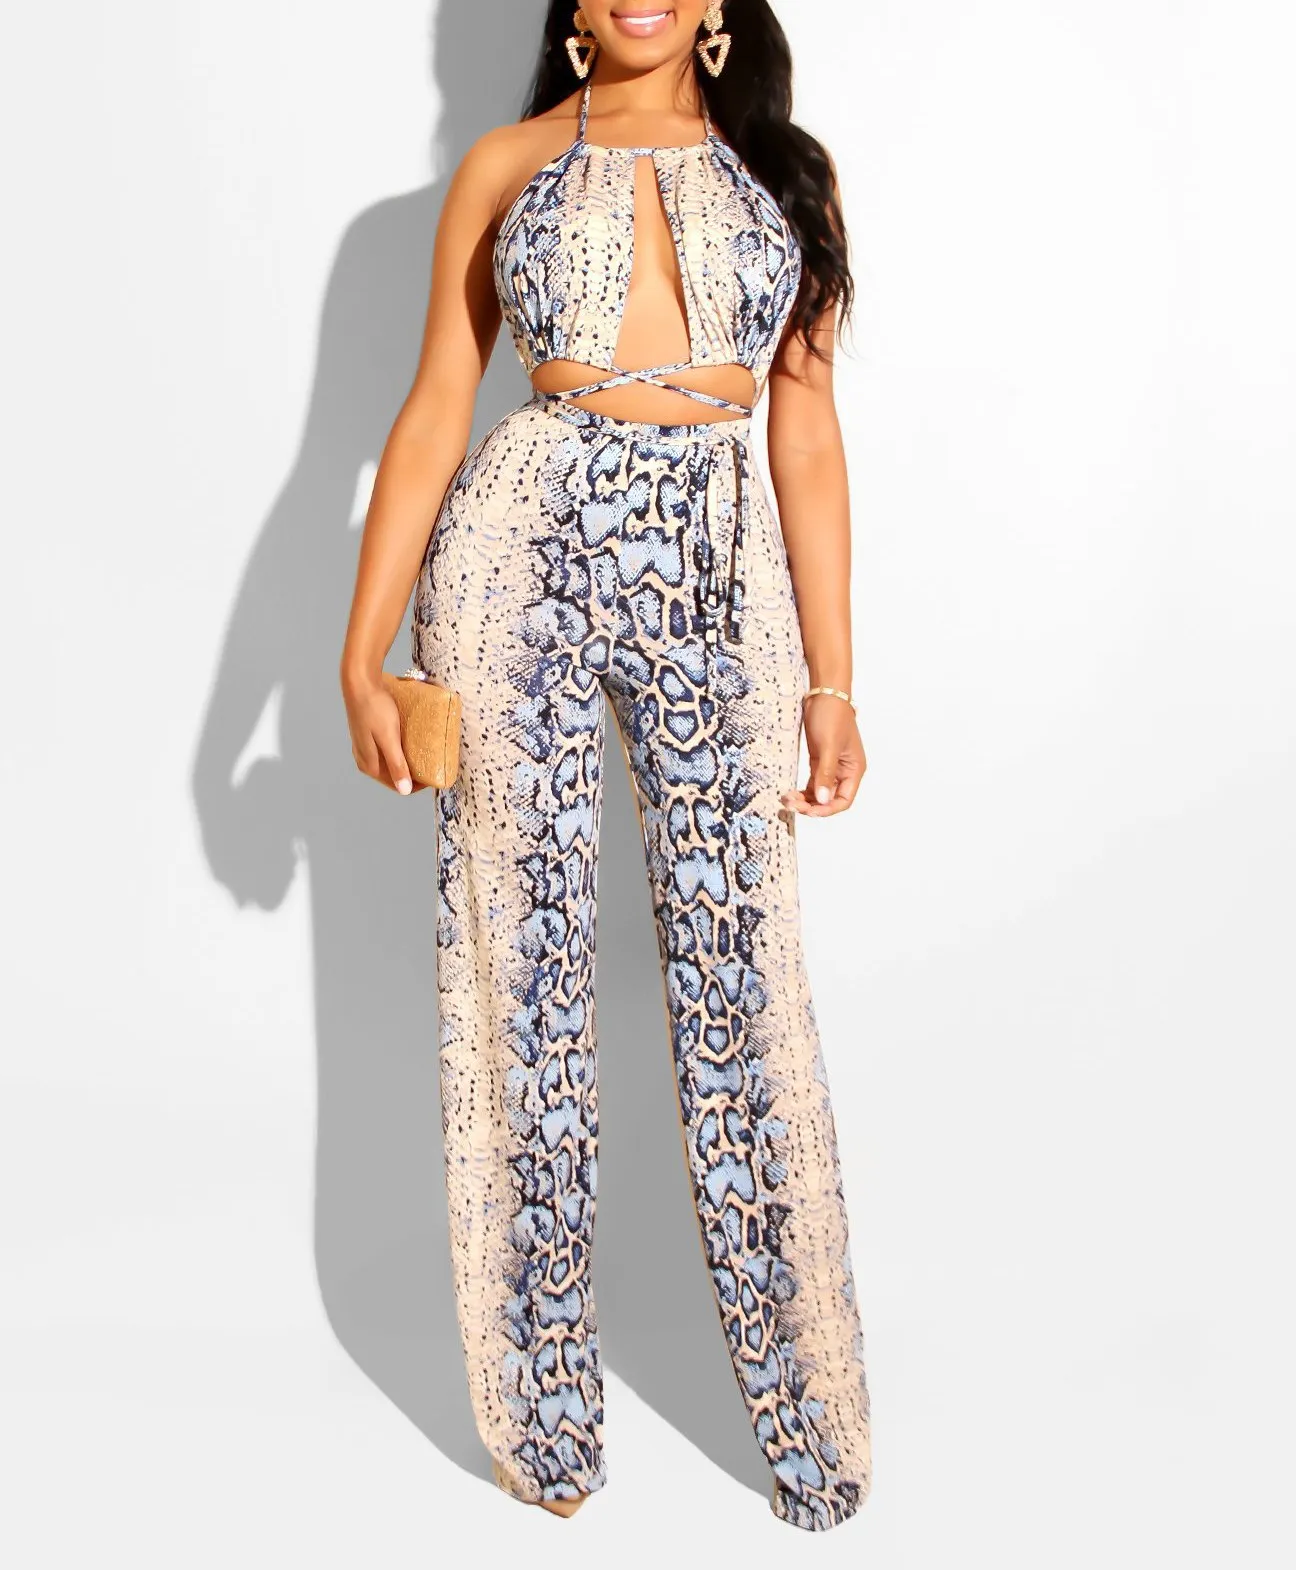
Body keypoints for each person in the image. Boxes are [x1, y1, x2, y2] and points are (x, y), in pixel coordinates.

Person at [339, 1, 870, 1532]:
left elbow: (806, 434)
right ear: (573, 7)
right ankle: (542, 1417)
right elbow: (436, 409)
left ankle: (810, 1415)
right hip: (522, 550)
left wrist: (832, 678)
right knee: (520, 969)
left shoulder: (786, 174)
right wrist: (360, 651)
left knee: (742, 973)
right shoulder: (503, 164)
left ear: (715, 7)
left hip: (718, 561)